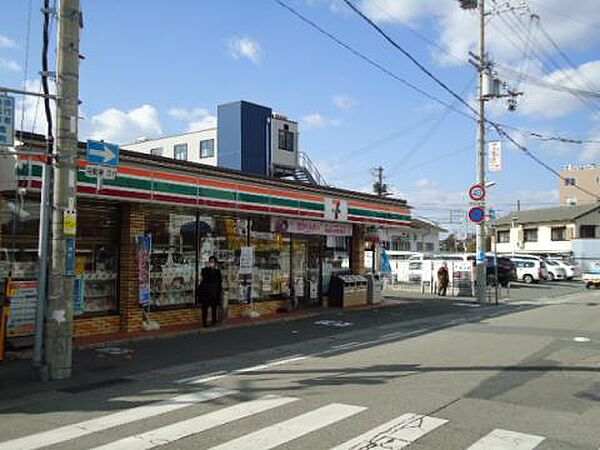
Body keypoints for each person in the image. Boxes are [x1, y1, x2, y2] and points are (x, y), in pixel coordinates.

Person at [198, 256, 222, 327]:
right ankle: (204, 322)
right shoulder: (205, 270)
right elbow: (203, 277)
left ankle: (214, 321)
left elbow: (219, 282)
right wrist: (210, 268)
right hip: (206, 292)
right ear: (209, 262)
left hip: (214, 292)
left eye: (213, 262)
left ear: (215, 263)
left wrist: (219, 291)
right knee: (204, 308)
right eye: (210, 261)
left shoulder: (217, 271)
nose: (212, 263)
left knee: (214, 308)